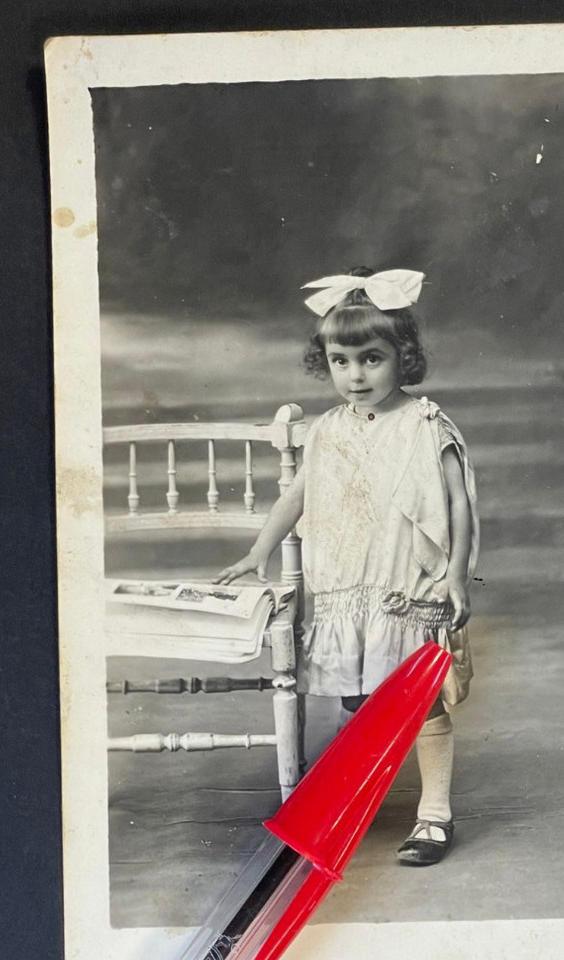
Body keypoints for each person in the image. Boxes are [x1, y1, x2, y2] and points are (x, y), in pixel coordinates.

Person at [215, 267, 479, 865]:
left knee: (421, 700)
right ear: (324, 362)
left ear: (402, 358)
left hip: (405, 584)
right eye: (340, 360)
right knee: (360, 701)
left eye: (371, 359)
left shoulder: (424, 423)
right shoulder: (329, 430)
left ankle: (434, 816)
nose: (355, 375)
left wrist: (457, 574)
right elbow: (297, 497)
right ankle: (353, 809)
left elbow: (457, 505)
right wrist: (259, 551)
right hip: (346, 587)